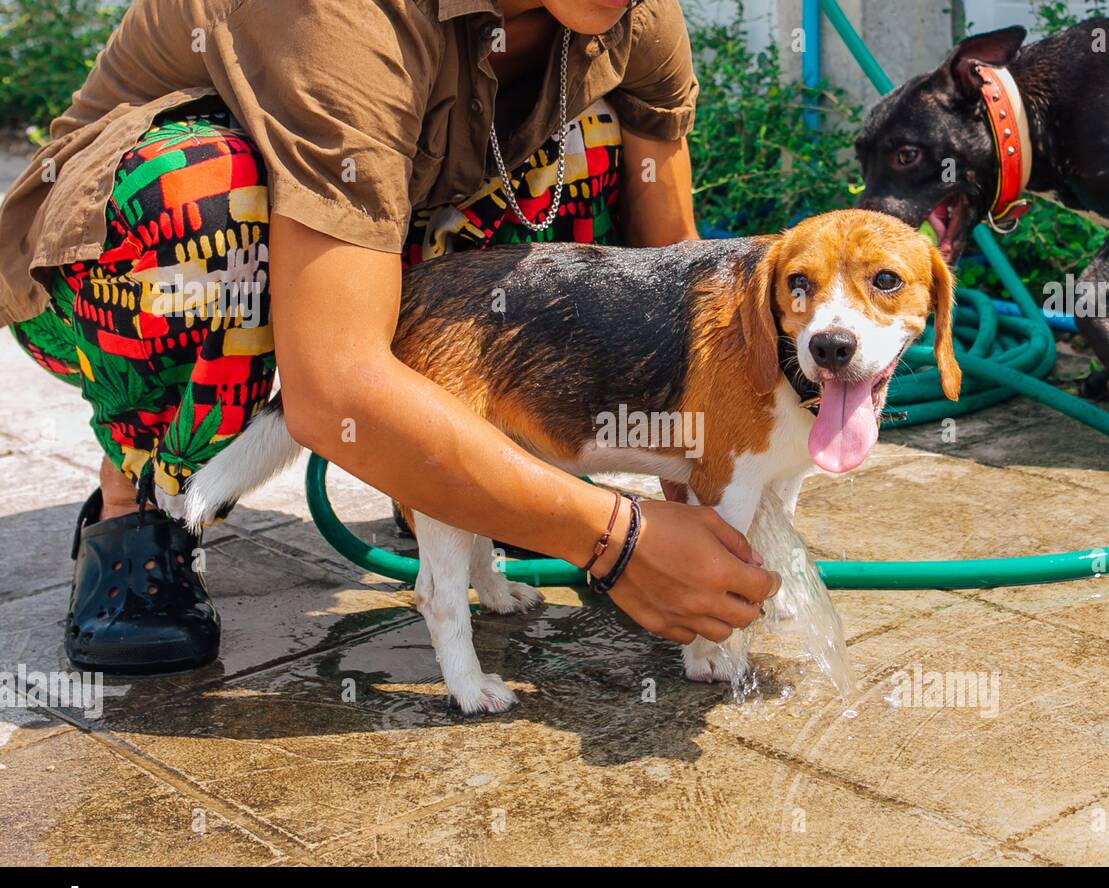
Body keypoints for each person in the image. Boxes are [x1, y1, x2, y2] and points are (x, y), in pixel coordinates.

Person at [0, 0, 779, 674]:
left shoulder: (626, 12)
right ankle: (137, 501)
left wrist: (697, 486)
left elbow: (670, 279)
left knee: (589, 143)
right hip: (113, 266)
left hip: (386, 217)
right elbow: (331, 390)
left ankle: (449, 468)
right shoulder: (341, 15)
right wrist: (614, 539)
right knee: (205, 203)